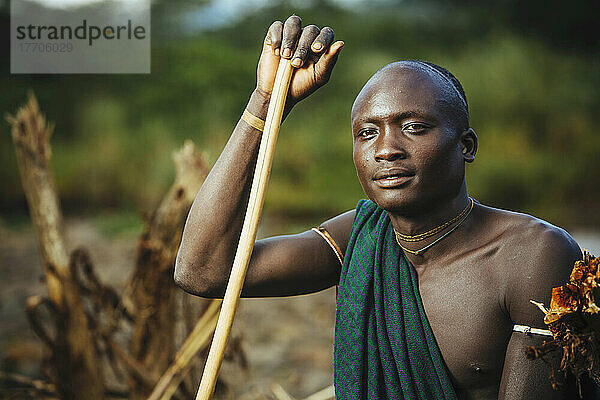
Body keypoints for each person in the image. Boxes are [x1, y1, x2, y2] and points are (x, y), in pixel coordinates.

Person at [174, 15, 586, 399]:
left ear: (466, 146)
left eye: (414, 128)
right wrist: (267, 100)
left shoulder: (535, 255)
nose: (386, 149)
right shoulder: (359, 238)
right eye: (367, 133)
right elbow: (202, 271)